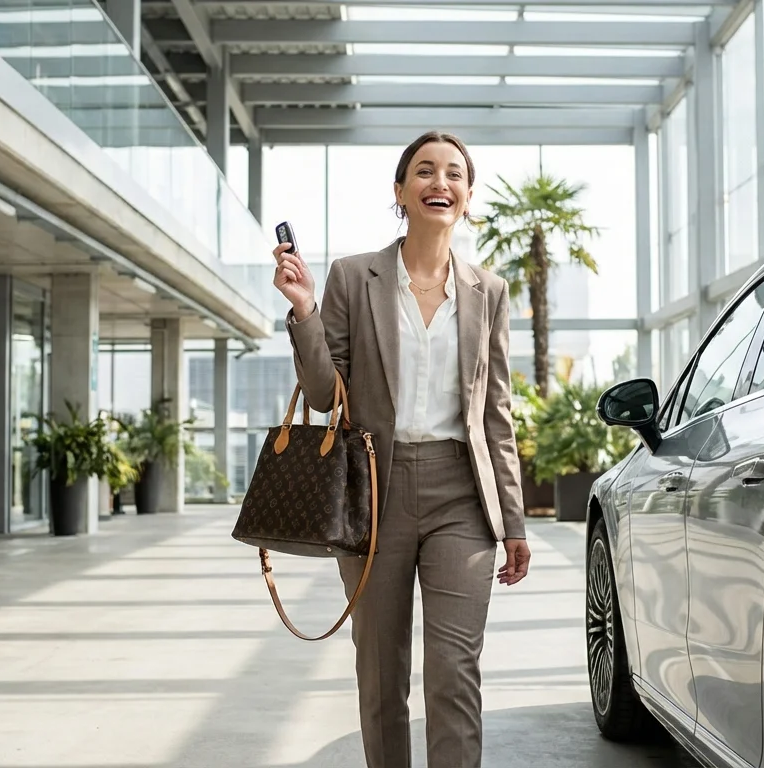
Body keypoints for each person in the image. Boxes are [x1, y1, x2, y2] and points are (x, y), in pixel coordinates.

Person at [271, 130, 533, 768]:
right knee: (381, 673)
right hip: (373, 492)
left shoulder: (489, 292)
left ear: (467, 196)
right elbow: (324, 394)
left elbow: (495, 413)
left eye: (454, 174)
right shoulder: (352, 277)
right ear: (400, 191)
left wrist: (514, 520)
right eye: (424, 171)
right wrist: (304, 311)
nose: (440, 182)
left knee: (454, 671)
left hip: (461, 495)